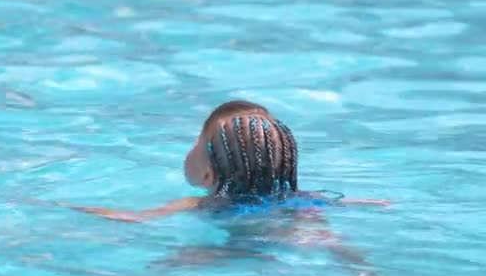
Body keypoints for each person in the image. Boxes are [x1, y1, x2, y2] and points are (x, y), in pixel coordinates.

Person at [55, 100, 389, 222]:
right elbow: (348, 204)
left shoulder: (199, 204)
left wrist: (70, 207)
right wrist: (373, 203)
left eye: (196, 142)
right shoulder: (301, 201)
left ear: (207, 174)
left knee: (179, 265)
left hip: (231, 250)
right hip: (290, 226)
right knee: (321, 237)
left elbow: (135, 218)